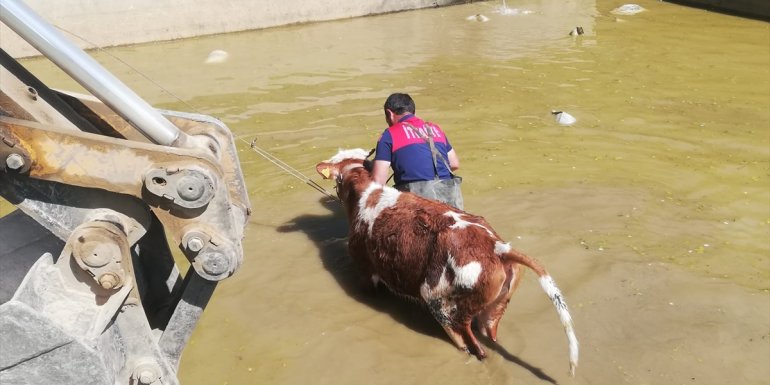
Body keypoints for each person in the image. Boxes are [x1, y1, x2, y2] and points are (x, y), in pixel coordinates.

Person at [372, 93, 464, 209]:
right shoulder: (435, 129)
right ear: (413, 111)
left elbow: (378, 181)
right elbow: (454, 164)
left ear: (389, 114)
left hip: (416, 204)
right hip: (450, 202)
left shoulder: (389, 135)